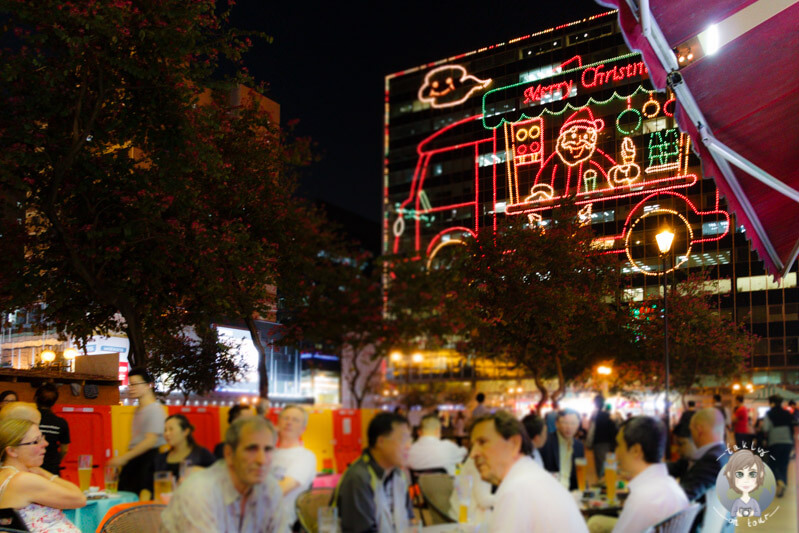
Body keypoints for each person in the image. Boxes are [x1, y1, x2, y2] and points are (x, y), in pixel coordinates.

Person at [469, 411, 587, 532]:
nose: (473, 454)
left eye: (482, 442)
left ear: (515, 444)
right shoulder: (530, 476)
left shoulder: (515, 489)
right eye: (472, 445)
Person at [161, 416, 282, 533]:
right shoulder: (200, 492)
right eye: (251, 449)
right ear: (229, 454)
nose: (262, 460)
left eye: (268, 449)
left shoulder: (269, 489)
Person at [589, 416, 688, 533]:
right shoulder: (672, 486)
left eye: (619, 445)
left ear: (636, 450)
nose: (616, 453)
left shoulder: (642, 498)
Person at [0, 418, 85, 532]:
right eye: (36, 441)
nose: (45, 444)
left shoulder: (5, 475)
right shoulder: (23, 480)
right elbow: (79, 499)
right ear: (12, 451)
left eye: (42, 438)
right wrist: (45, 473)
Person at [333, 412, 413, 533]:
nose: (408, 446)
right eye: (403, 439)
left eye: (410, 439)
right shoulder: (359, 477)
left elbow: (409, 521)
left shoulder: (399, 475)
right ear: (380, 441)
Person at [667, 408, 732, 532]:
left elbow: (683, 497)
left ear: (699, 429)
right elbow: (676, 467)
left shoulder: (712, 460)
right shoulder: (724, 454)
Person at [108, 367, 166, 496]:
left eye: (134, 384)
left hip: (148, 460)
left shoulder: (154, 410)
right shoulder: (138, 409)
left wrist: (123, 458)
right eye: (129, 384)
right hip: (135, 458)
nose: (130, 388)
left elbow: (151, 440)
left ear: (148, 385)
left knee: (138, 501)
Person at [270, 405, 317, 533]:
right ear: (278, 423)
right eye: (286, 418)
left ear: (303, 429)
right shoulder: (267, 453)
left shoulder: (305, 456)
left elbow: (282, 489)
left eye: (295, 420)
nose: (289, 422)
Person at [154, 414, 216, 482]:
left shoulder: (202, 454)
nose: (167, 433)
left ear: (185, 432)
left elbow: (218, 476)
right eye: (165, 430)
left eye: (171, 429)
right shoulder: (161, 458)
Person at [540, 408, 585, 490]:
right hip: (550, 491)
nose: (569, 427)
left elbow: (579, 474)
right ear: (556, 424)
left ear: (578, 425)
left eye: (573, 423)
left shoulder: (579, 446)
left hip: (571, 493)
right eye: (565, 423)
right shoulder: (546, 441)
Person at [34, 384, 70, 476]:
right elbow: (64, 449)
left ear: (35, 398)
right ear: (54, 402)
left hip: (32, 467)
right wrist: (56, 461)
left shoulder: (30, 420)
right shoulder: (60, 422)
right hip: (52, 468)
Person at [761, 394, 793, 497]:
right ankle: (783, 482)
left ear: (772, 403)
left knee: (773, 464)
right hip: (787, 442)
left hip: (775, 442)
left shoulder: (769, 414)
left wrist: (764, 439)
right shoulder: (787, 413)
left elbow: (765, 429)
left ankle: (780, 481)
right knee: (784, 464)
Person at [724, 449, 765, 517]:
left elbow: (757, 513)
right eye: (739, 474)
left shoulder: (753, 502)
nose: (746, 480)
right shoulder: (735, 502)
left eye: (752, 474)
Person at [588, 396, 617, 478]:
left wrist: (589, 443)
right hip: (610, 444)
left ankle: (604, 486)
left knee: (601, 467)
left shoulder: (596, 415)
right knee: (610, 466)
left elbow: (592, 431)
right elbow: (613, 430)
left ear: (595, 404)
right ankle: (609, 485)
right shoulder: (608, 415)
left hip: (599, 444)